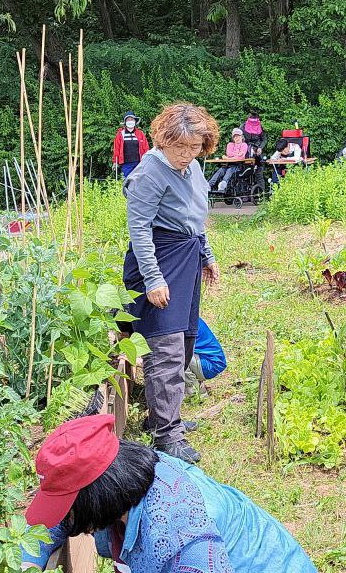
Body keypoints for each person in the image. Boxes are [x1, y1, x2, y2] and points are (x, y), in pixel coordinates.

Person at [20, 414, 318, 572]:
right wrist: (29, 564)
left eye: (69, 506)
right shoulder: (123, 485)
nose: (65, 517)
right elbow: (51, 522)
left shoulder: (181, 535)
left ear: (98, 498)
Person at [122, 103, 221, 464]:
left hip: (186, 258)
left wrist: (206, 255)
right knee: (164, 345)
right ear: (163, 140)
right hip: (158, 261)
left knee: (185, 337)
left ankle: (162, 416)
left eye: (194, 147)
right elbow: (139, 230)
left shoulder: (193, 168)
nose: (186, 154)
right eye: (179, 147)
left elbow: (196, 216)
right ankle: (167, 435)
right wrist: (153, 278)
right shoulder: (150, 172)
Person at [186, 317, 228, 396]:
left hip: (210, 362)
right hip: (210, 360)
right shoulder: (188, 314)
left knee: (175, 355)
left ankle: (195, 392)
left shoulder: (182, 322)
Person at [209, 128, 250, 193]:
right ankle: (209, 185)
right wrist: (236, 155)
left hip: (238, 166)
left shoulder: (244, 145)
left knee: (230, 170)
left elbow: (241, 157)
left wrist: (228, 158)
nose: (237, 138)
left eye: (238, 136)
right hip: (228, 165)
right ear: (233, 138)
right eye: (235, 137)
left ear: (242, 136)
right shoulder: (230, 144)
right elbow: (229, 153)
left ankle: (223, 186)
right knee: (221, 170)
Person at [112, 112, 150, 180]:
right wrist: (115, 162)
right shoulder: (120, 134)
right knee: (128, 182)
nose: (130, 121)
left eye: (132, 119)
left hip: (139, 163)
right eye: (128, 120)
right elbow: (116, 149)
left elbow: (146, 148)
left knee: (139, 182)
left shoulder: (140, 133)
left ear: (135, 121)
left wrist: (147, 160)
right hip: (126, 164)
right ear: (125, 122)